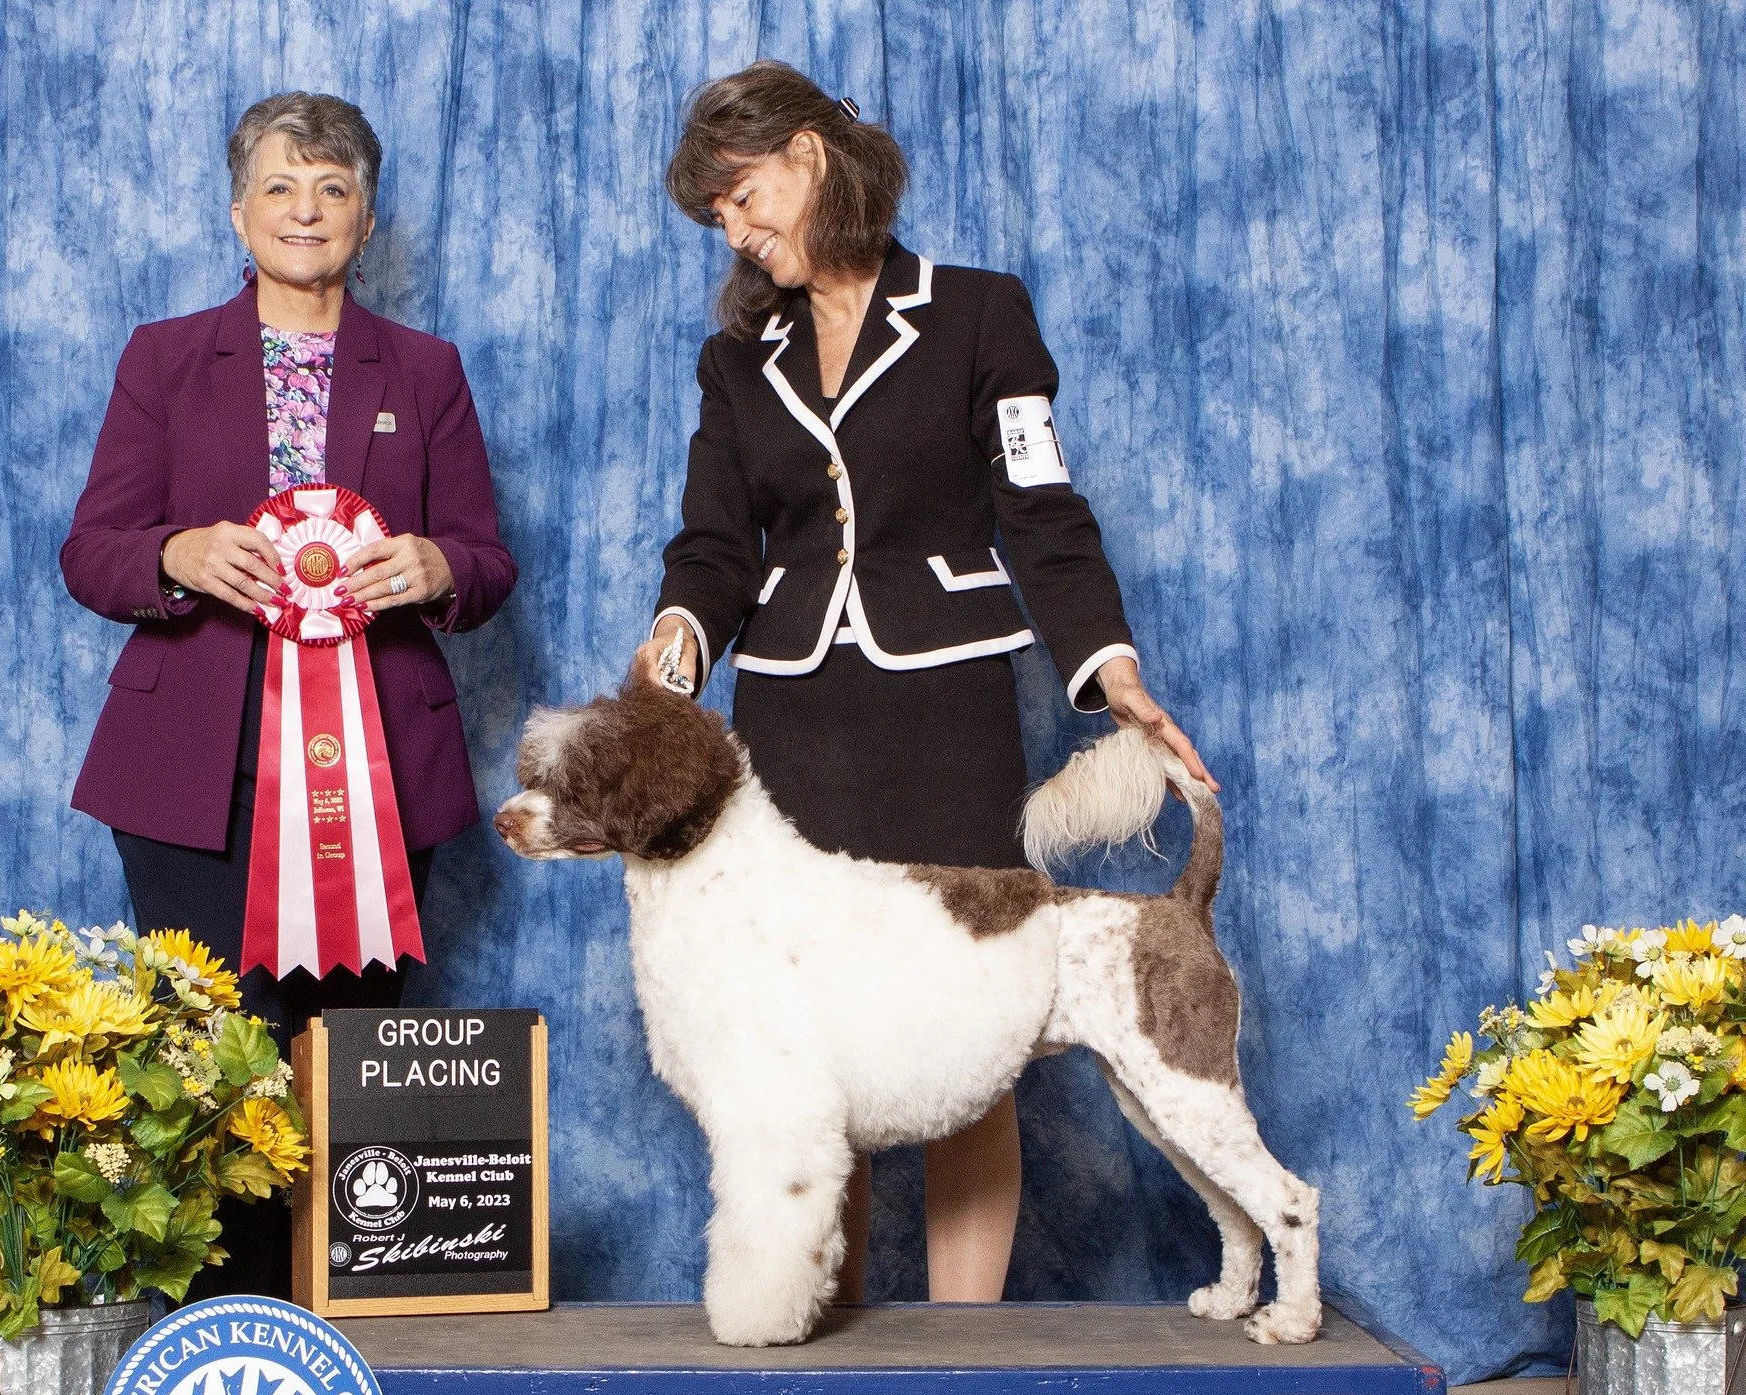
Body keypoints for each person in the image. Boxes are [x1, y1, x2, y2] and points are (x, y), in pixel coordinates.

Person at [633, 62, 1216, 1306]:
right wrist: (680, 637)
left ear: (806, 155)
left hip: (945, 713)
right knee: (805, 1039)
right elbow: (714, 543)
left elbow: (1040, 513)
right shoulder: (737, 360)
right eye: (719, 219)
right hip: (788, 717)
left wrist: (1108, 672)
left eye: (741, 198)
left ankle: (970, 1351)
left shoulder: (978, 314)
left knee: (969, 1032)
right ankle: (814, 1324)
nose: (736, 233)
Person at [61, 92, 516, 1296]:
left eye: (331, 189)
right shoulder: (162, 358)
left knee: (345, 1070)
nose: (304, 210)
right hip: (187, 773)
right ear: (237, 213)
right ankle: (216, 1328)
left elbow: (487, 559)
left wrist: (437, 567)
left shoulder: (424, 371)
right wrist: (174, 555)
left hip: (377, 778)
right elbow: (91, 549)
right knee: (201, 1070)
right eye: (279, 186)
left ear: (366, 221)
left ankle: (344, 1328)